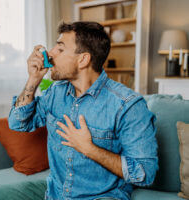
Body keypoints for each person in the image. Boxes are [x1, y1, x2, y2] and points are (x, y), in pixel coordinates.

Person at [8, 21, 158, 200]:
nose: (49, 53)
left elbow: (145, 173)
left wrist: (89, 149)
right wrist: (33, 79)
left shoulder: (127, 105)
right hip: (56, 193)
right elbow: (18, 124)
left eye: (60, 49)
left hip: (101, 196)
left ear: (83, 60)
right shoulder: (56, 93)